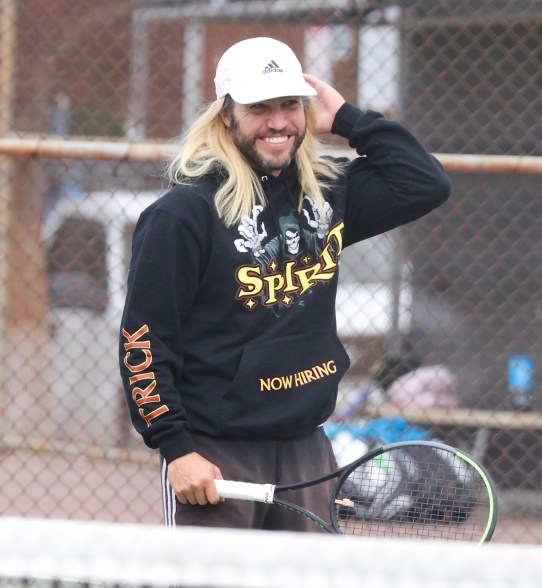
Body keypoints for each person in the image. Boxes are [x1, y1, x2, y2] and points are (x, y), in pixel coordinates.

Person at [119, 36, 451, 532]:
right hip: (216, 453)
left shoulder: (326, 192)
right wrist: (176, 448)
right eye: (260, 108)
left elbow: (425, 183)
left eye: (290, 105)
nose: (278, 122)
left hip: (307, 448)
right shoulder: (182, 216)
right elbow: (143, 341)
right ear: (226, 116)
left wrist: (347, 119)